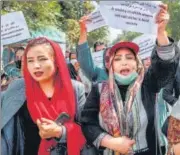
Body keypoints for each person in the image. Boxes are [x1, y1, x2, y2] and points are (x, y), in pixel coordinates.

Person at [80, 4, 179, 155]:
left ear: (137, 63)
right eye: (118, 59)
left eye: (129, 58)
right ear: (110, 66)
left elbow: (165, 66)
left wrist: (160, 32)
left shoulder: (148, 84)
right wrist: (111, 142)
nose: (124, 62)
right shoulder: (98, 90)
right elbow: (87, 123)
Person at [1, 37, 86, 155]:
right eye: (30, 60)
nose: (36, 66)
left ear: (56, 60)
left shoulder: (76, 89)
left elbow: (88, 129)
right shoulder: (17, 88)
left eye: (42, 59)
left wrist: (60, 131)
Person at [77, 16, 108, 82]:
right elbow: (85, 61)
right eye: (99, 51)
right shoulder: (99, 72)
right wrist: (83, 31)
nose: (102, 53)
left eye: (104, 50)